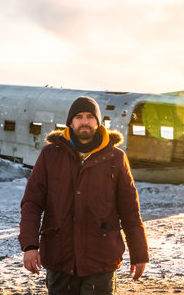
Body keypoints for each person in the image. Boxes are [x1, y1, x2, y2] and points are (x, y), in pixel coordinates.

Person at [19, 96, 149, 294]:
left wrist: (139, 253)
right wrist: (30, 245)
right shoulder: (50, 155)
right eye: (79, 117)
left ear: (98, 122)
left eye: (90, 117)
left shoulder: (115, 158)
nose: (85, 121)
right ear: (71, 122)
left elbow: (130, 211)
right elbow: (32, 203)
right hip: (59, 256)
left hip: (101, 259)